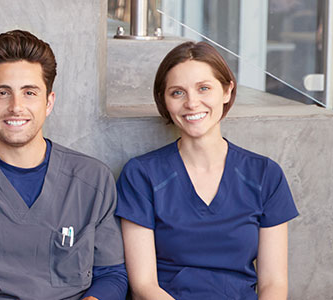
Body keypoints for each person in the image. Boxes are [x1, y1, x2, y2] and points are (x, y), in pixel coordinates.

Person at [0, 30, 128, 300]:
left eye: (29, 92)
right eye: (2, 93)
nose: (16, 107)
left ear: (49, 102)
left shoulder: (92, 180)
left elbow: (111, 275)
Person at [117, 41, 295, 300]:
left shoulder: (265, 174)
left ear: (226, 91)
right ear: (164, 101)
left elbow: (274, 284)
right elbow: (144, 286)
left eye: (204, 88)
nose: (192, 103)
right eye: (177, 93)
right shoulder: (141, 175)